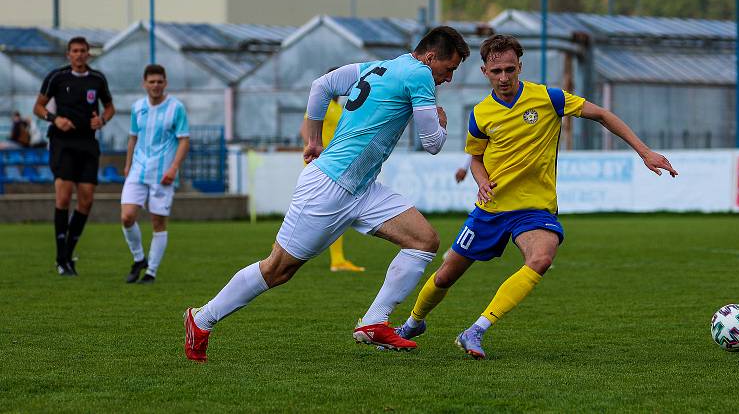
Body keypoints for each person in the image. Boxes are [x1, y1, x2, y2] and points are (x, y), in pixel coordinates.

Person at [184, 26, 470, 362]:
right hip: (330, 187)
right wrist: (441, 121)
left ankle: (375, 321)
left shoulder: (376, 66)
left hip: (362, 188)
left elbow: (322, 85)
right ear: (431, 57)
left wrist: (313, 140)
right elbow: (433, 144)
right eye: (449, 68)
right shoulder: (420, 74)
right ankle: (200, 319)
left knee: (424, 240)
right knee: (278, 269)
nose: (448, 78)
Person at [395, 34, 678, 359]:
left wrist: (644, 152)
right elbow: (475, 158)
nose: (504, 77)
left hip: (534, 208)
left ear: (520, 67)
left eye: (510, 69)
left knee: (542, 258)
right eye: (497, 71)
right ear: (485, 71)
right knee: (446, 274)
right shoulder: (481, 114)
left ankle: (476, 330)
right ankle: (413, 323)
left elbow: (601, 114)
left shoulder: (548, 98)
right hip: (491, 209)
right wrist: (483, 180)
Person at [33, 36, 115, 276]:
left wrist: (102, 119)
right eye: (74, 51)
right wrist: (54, 118)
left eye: (83, 51)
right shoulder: (57, 77)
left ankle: (67, 254)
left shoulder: (97, 79)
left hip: (88, 143)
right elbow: (38, 107)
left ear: (89, 53)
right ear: (68, 54)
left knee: (87, 199)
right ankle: (61, 258)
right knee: (64, 196)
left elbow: (110, 107)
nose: (79, 54)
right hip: (62, 142)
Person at [120, 64, 190, 284]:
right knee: (127, 216)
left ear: (165, 83)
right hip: (138, 170)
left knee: (158, 223)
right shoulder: (137, 107)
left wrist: (174, 168)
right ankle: (139, 258)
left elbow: (184, 140)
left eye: (160, 81)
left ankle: (151, 271)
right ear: (144, 83)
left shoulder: (176, 108)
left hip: (163, 175)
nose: (156, 85)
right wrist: (127, 164)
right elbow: (133, 137)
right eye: (152, 82)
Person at [300, 84, 365, 273]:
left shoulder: (339, 107)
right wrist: (312, 147)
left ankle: (279, 245)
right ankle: (337, 260)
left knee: (315, 208)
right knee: (334, 208)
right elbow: (305, 128)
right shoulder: (324, 104)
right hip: (322, 164)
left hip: (334, 165)